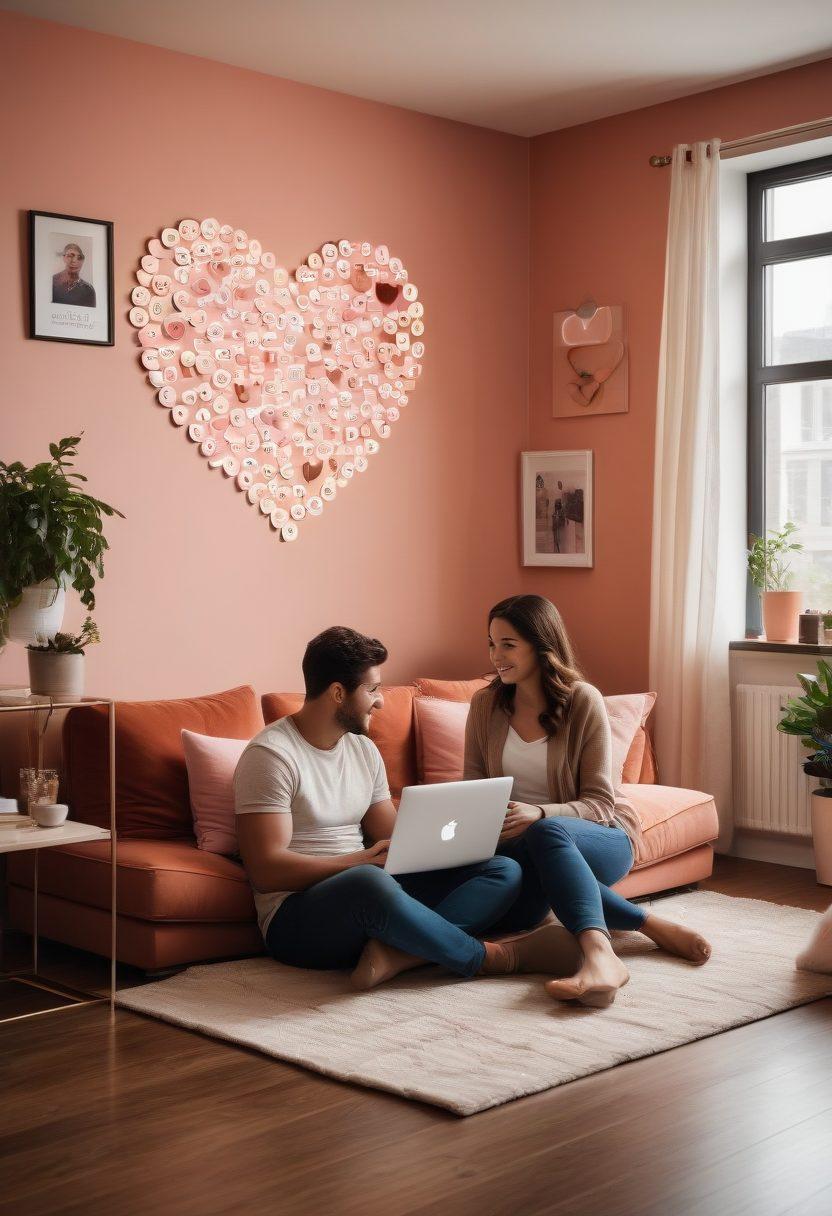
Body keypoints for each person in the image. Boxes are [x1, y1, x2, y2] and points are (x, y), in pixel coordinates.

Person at [234, 626, 574, 990]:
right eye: (372, 690)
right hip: (298, 918)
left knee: (502, 870)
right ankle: (498, 958)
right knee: (368, 882)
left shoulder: (362, 750)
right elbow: (266, 871)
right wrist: (359, 862)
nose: (380, 701)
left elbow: (392, 838)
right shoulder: (271, 756)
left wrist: (450, 843)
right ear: (337, 693)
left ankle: (397, 954)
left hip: (372, 889)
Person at [464, 595, 712, 1008]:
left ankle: (600, 956)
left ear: (541, 646)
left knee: (546, 833)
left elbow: (599, 803)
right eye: (491, 644)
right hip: (519, 842)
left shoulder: (583, 701)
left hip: (600, 835)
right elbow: (472, 789)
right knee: (515, 870)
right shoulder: (485, 704)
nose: (496, 656)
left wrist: (540, 812)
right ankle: (648, 924)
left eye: (508, 644)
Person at [52, 242, 96, 307]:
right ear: (64, 258)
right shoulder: (53, 281)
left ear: (82, 261)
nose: (74, 261)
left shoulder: (88, 290)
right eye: (70, 256)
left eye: (79, 257)